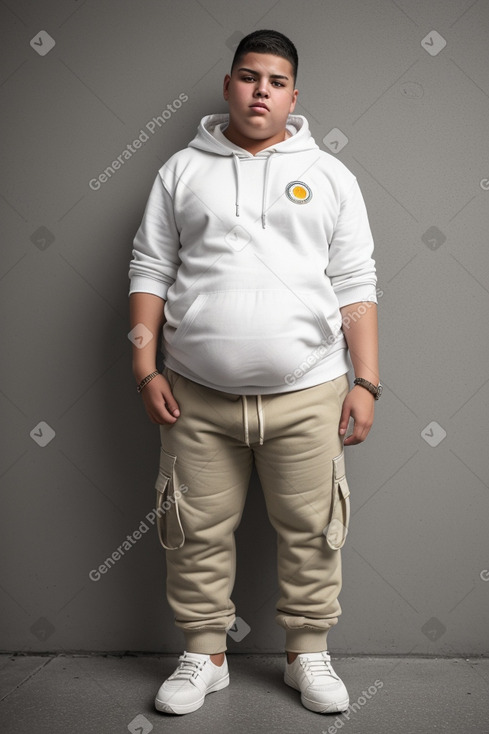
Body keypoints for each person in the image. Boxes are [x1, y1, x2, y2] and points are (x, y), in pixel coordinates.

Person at [128, 29, 381, 716]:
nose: (259, 90)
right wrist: (144, 365)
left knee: (312, 527)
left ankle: (309, 655)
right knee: (193, 528)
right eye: (247, 77)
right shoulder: (181, 169)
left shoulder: (329, 173)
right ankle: (203, 657)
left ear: (293, 95)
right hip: (193, 393)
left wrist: (366, 381)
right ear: (228, 87)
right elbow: (150, 267)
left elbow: (355, 281)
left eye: (274, 81)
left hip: (310, 391)